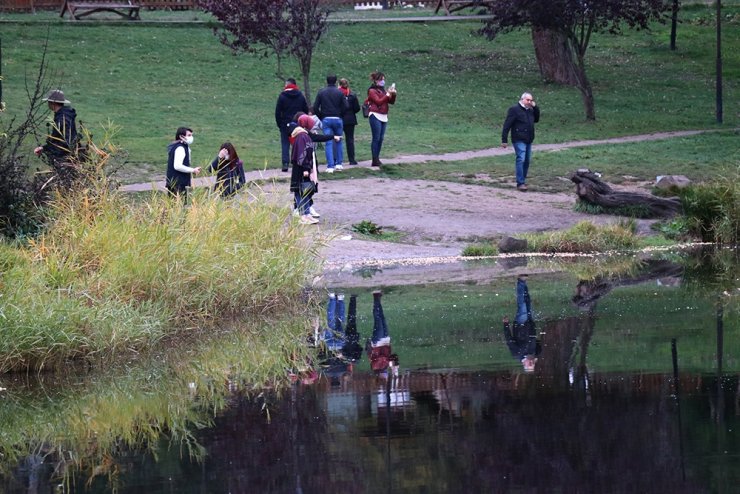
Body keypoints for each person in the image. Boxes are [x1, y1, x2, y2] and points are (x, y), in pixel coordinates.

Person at [501, 92, 540, 191]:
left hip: (529, 139)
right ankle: (520, 183)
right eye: (528, 100)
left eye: (531, 100)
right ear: (522, 99)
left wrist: (536, 108)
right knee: (521, 158)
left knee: (527, 160)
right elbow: (507, 125)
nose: (530, 102)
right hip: (518, 138)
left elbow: (537, 119)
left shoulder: (531, 110)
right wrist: (504, 139)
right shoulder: (514, 109)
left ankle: (523, 180)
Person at [502, 275, 541, 373]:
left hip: (520, 326)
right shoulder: (534, 353)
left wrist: (506, 325)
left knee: (522, 305)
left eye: (529, 365)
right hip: (530, 325)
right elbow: (539, 345)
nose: (531, 363)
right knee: (527, 302)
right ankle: (524, 284)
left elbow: (509, 340)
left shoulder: (517, 354)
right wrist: (535, 356)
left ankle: (521, 281)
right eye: (532, 365)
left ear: (524, 364)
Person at [289, 114, 320, 225]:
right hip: (301, 169)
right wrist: (306, 168)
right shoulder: (303, 136)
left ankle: (306, 214)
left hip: (301, 168)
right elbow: (303, 154)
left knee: (304, 191)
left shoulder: (302, 135)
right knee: (301, 190)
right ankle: (303, 215)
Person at [34, 89, 78, 164]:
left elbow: (64, 141)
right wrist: (44, 148)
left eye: (48, 101)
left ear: (53, 103)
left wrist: (50, 151)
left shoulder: (62, 118)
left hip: (65, 159)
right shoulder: (64, 114)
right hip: (70, 155)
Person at [312, 74, 346, 173]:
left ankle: (330, 166)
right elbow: (346, 106)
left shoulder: (321, 92)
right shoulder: (339, 92)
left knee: (328, 142)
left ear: (326, 81)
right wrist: (340, 115)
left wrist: (321, 117)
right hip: (337, 118)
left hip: (326, 119)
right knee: (338, 140)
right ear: (336, 82)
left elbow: (315, 107)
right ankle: (339, 164)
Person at [275, 78, 309, 172]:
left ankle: (285, 164)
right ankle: (299, 162)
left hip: (285, 123)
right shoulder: (300, 95)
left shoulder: (282, 96)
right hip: (297, 123)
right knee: (298, 143)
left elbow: (278, 112)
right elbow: (305, 109)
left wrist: (280, 124)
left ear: (287, 85)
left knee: (285, 144)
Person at [366, 71, 397, 167]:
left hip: (384, 115)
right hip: (375, 115)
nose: (383, 81)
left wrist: (393, 94)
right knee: (376, 138)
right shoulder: (372, 91)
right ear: (376, 81)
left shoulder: (383, 90)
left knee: (381, 138)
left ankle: (377, 158)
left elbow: (391, 102)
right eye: (381, 79)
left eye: (383, 79)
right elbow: (378, 102)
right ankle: (374, 159)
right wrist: (387, 95)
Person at [366, 290, 399, 376]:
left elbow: (381, 358)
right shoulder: (387, 365)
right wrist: (395, 364)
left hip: (378, 343)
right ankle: (378, 299)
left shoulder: (375, 367)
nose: (384, 376)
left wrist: (388, 360)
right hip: (386, 341)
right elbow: (394, 355)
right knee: (382, 317)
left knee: (378, 319)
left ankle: (375, 297)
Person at [165, 127, 201, 198]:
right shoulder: (180, 148)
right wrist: (193, 170)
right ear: (181, 136)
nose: (191, 137)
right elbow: (177, 166)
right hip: (178, 184)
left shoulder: (181, 147)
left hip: (176, 182)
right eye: (189, 135)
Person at [339, 78, 361, 165]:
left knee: (337, 139)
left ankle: (337, 160)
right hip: (350, 119)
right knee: (350, 140)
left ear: (339, 85)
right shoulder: (352, 94)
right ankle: (352, 159)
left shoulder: (337, 94)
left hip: (340, 118)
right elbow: (357, 108)